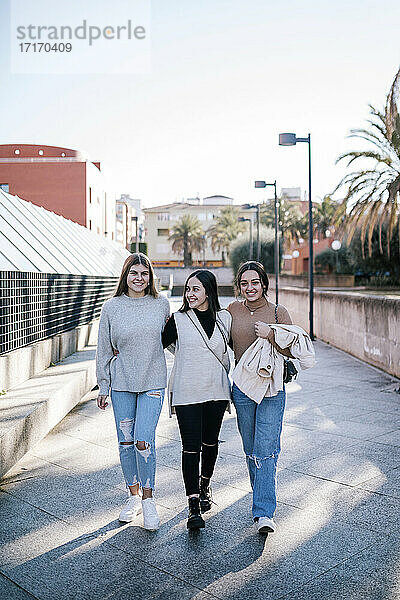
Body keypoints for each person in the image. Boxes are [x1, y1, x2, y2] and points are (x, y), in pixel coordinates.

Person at [96, 253, 170, 531]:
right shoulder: (112, 307)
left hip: (152, 382)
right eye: (134, 273)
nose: (139, 278)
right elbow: (104, 348)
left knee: (143, 441)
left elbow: (173, 341)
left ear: (150, 277)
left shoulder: (161, 304)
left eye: (144, 273)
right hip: (122, 384)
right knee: (125, 444)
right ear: (125, 276)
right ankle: (133, 497)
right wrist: (103, 385)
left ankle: (149, 502)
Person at [227, 261, 294, 535]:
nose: (250, 287)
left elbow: (293, 349)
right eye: (244, 283)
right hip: (242, 388)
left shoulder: (279, 312)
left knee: (265, 449)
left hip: (271, 388)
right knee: (251, 448)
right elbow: (219, 342)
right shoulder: (231, 311)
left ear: (264, 284)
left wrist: (272, 334)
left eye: (255, 282)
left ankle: (264, 512)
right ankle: (261, 494)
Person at [162, 270, 231, 530]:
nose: (190, 294)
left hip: (217, 390)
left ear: (209, 292)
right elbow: (157, 344)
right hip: (187, 391)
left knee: (210, 442)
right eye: (188, 289)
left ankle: (205, 486)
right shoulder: (178, 320)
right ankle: (193, 505)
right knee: (190, 447)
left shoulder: (225, 318)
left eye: (196, 289)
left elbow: (239, 346)